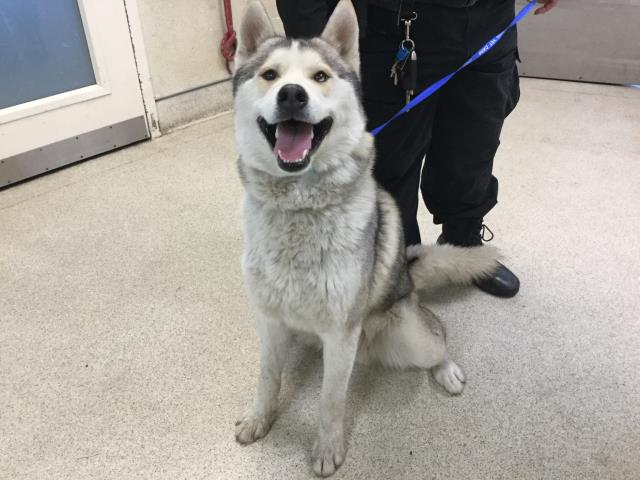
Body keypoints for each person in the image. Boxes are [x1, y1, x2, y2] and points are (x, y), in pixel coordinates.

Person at [276, 0, 559, 297]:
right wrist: (313, 55)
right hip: (400, 26)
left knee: (474, 145)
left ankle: (463, 241)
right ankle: (396, 265)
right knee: (391, 162)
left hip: (491, 19)